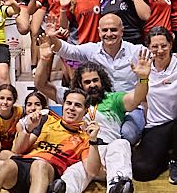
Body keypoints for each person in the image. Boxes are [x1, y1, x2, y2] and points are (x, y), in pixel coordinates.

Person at [37, 49, 151, 193]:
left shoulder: (114, 99)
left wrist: (143, 79)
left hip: (110, 154)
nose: (92, 85)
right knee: (72, 175)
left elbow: (137, 97)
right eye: (87, 82)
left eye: (95, 80)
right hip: (85, 153)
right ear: (80, 84)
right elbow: (41, 85)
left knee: (122, 143)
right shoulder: (74, 99)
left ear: (102, 81)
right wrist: (45, 59)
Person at [44, 13, 146, 143]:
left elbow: (160, 55)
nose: (109, 34)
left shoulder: (137, 51)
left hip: (130, 106)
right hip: (102, 105)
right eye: (105, 30)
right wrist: (53, 38)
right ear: (99, 31)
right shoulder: (92, 50)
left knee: (128, 134)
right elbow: (68, 50)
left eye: (114, 30)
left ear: (122, 31)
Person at [133, 29, 177, 185]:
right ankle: (168, 155)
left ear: (171, 45)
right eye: (155, 47)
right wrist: (142, 78)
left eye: (164, 46)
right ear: (148, 48)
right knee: (141, 171)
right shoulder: (144, 67)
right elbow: (139, 97)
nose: (160, 51)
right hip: (155, 127)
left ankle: (176, 161)